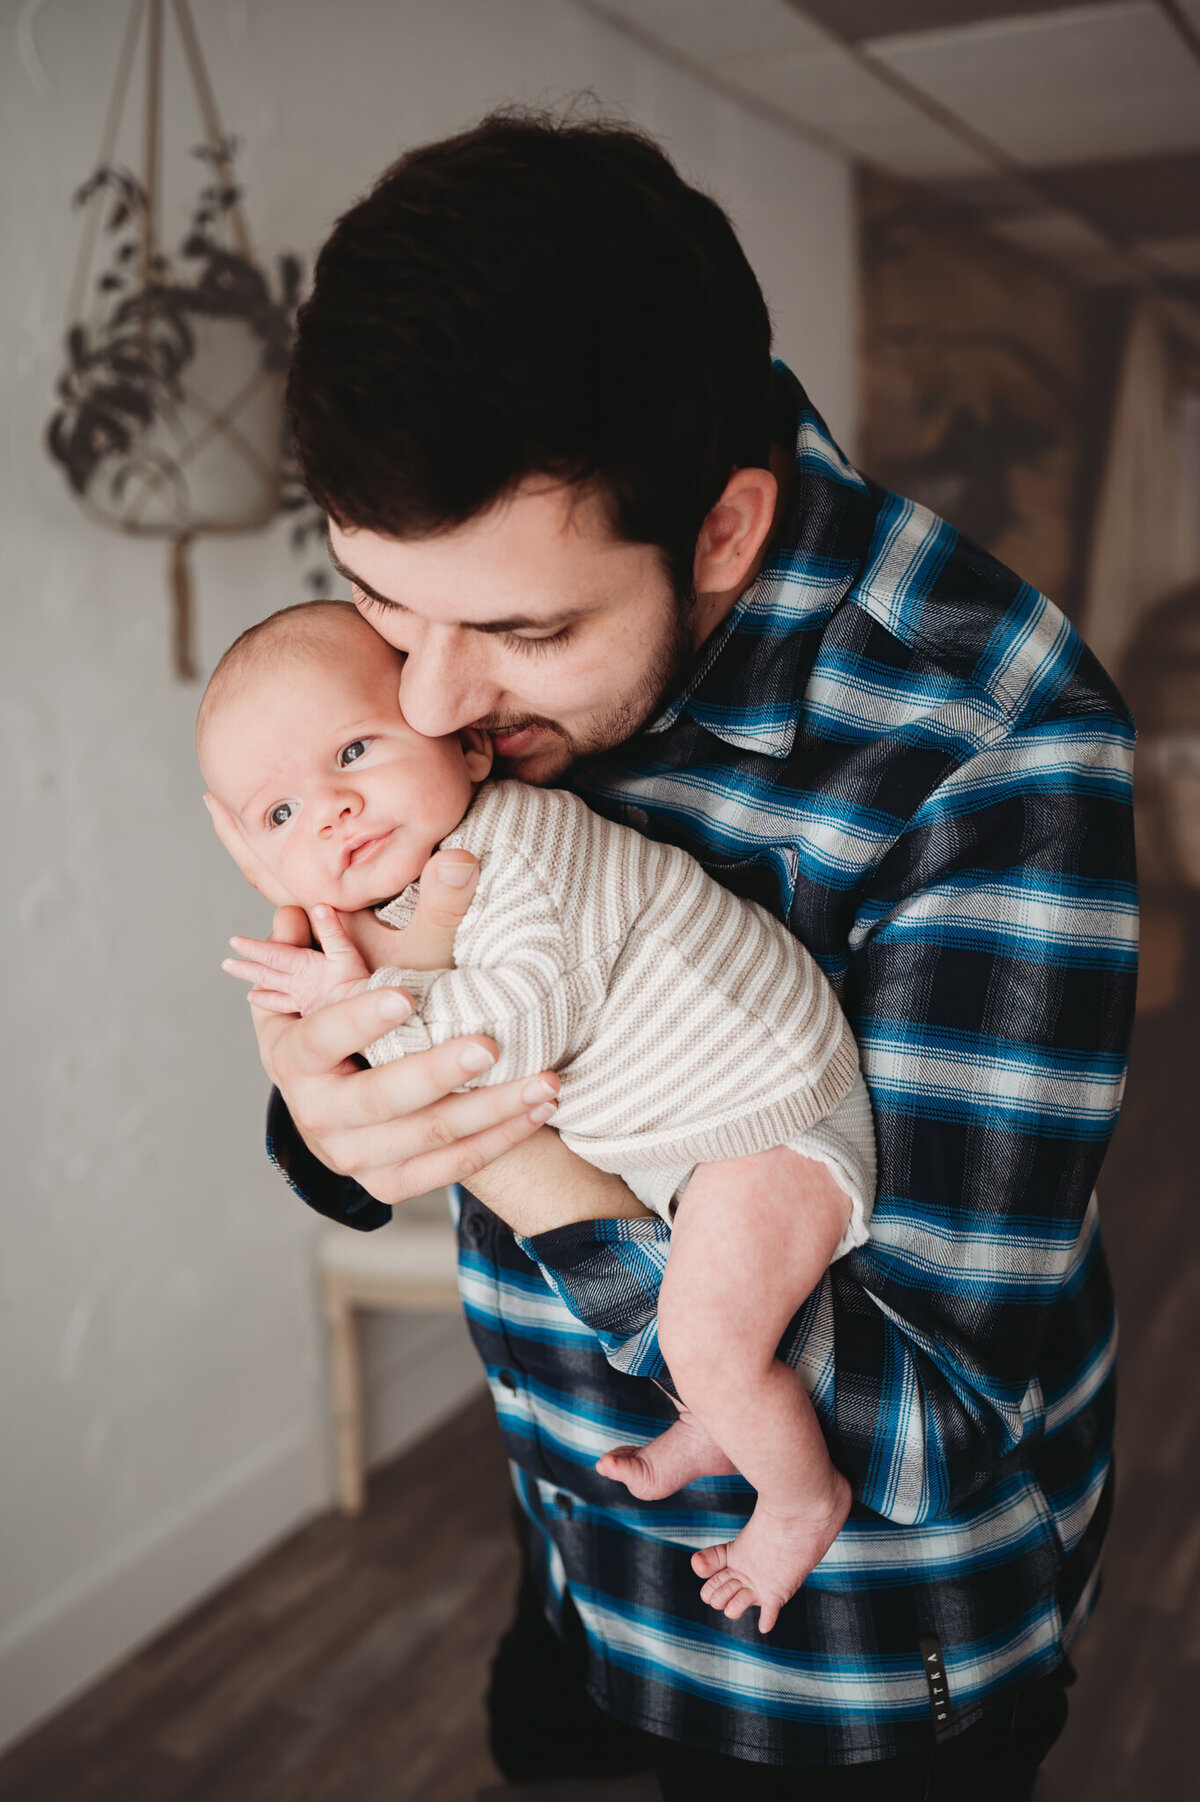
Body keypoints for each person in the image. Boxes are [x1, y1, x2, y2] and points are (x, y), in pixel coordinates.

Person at [207, 113, 1136, 1797]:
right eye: (383, 606)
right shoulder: (477, 568)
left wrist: (520, 1155)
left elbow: (939, 1427)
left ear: (722, 533)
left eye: (524, 634)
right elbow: (382, 1030)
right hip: (576, 1530)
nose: (425, 704)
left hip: (853, 1654)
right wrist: (334, 1125)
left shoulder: (995, 745)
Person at [199, 598, 877, 1631]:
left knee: (702, 1328)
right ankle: (718, 1415)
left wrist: (365, 1011)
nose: (330, 808)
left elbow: (510, 1032)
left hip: (767, 1113)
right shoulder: (401, 893)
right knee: (713, 1315)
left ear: (466, 743)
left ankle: (799, 1498)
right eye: (279, 814)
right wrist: (364, 994)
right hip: (685, 1143)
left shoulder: (514, 843)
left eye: (353, 749)